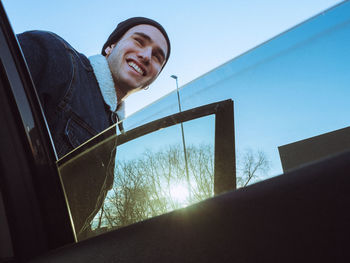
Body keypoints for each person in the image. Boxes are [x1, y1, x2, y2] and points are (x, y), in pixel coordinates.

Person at [17, 17, 171, 238]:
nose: (146, 56)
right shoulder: (55, 54)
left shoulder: (113, 134)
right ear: (110, 47)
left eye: (157, 57)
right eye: (139, 41)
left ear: (151, 81)